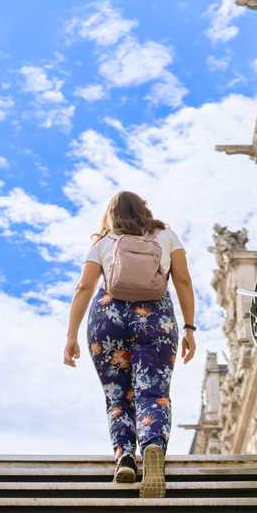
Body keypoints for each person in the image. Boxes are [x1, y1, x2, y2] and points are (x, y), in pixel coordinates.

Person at [63, 191, 196, 497]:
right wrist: (189, 327)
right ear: (144, 210)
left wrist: (71, 335)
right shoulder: (166, 235)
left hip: (107, 318)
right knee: (154, 392)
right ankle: (152, 447)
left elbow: (84, 287)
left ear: (111, 214)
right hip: (155, 318)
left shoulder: (103, 241)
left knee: (117, 396)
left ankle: (124, 456)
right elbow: (184, 281)